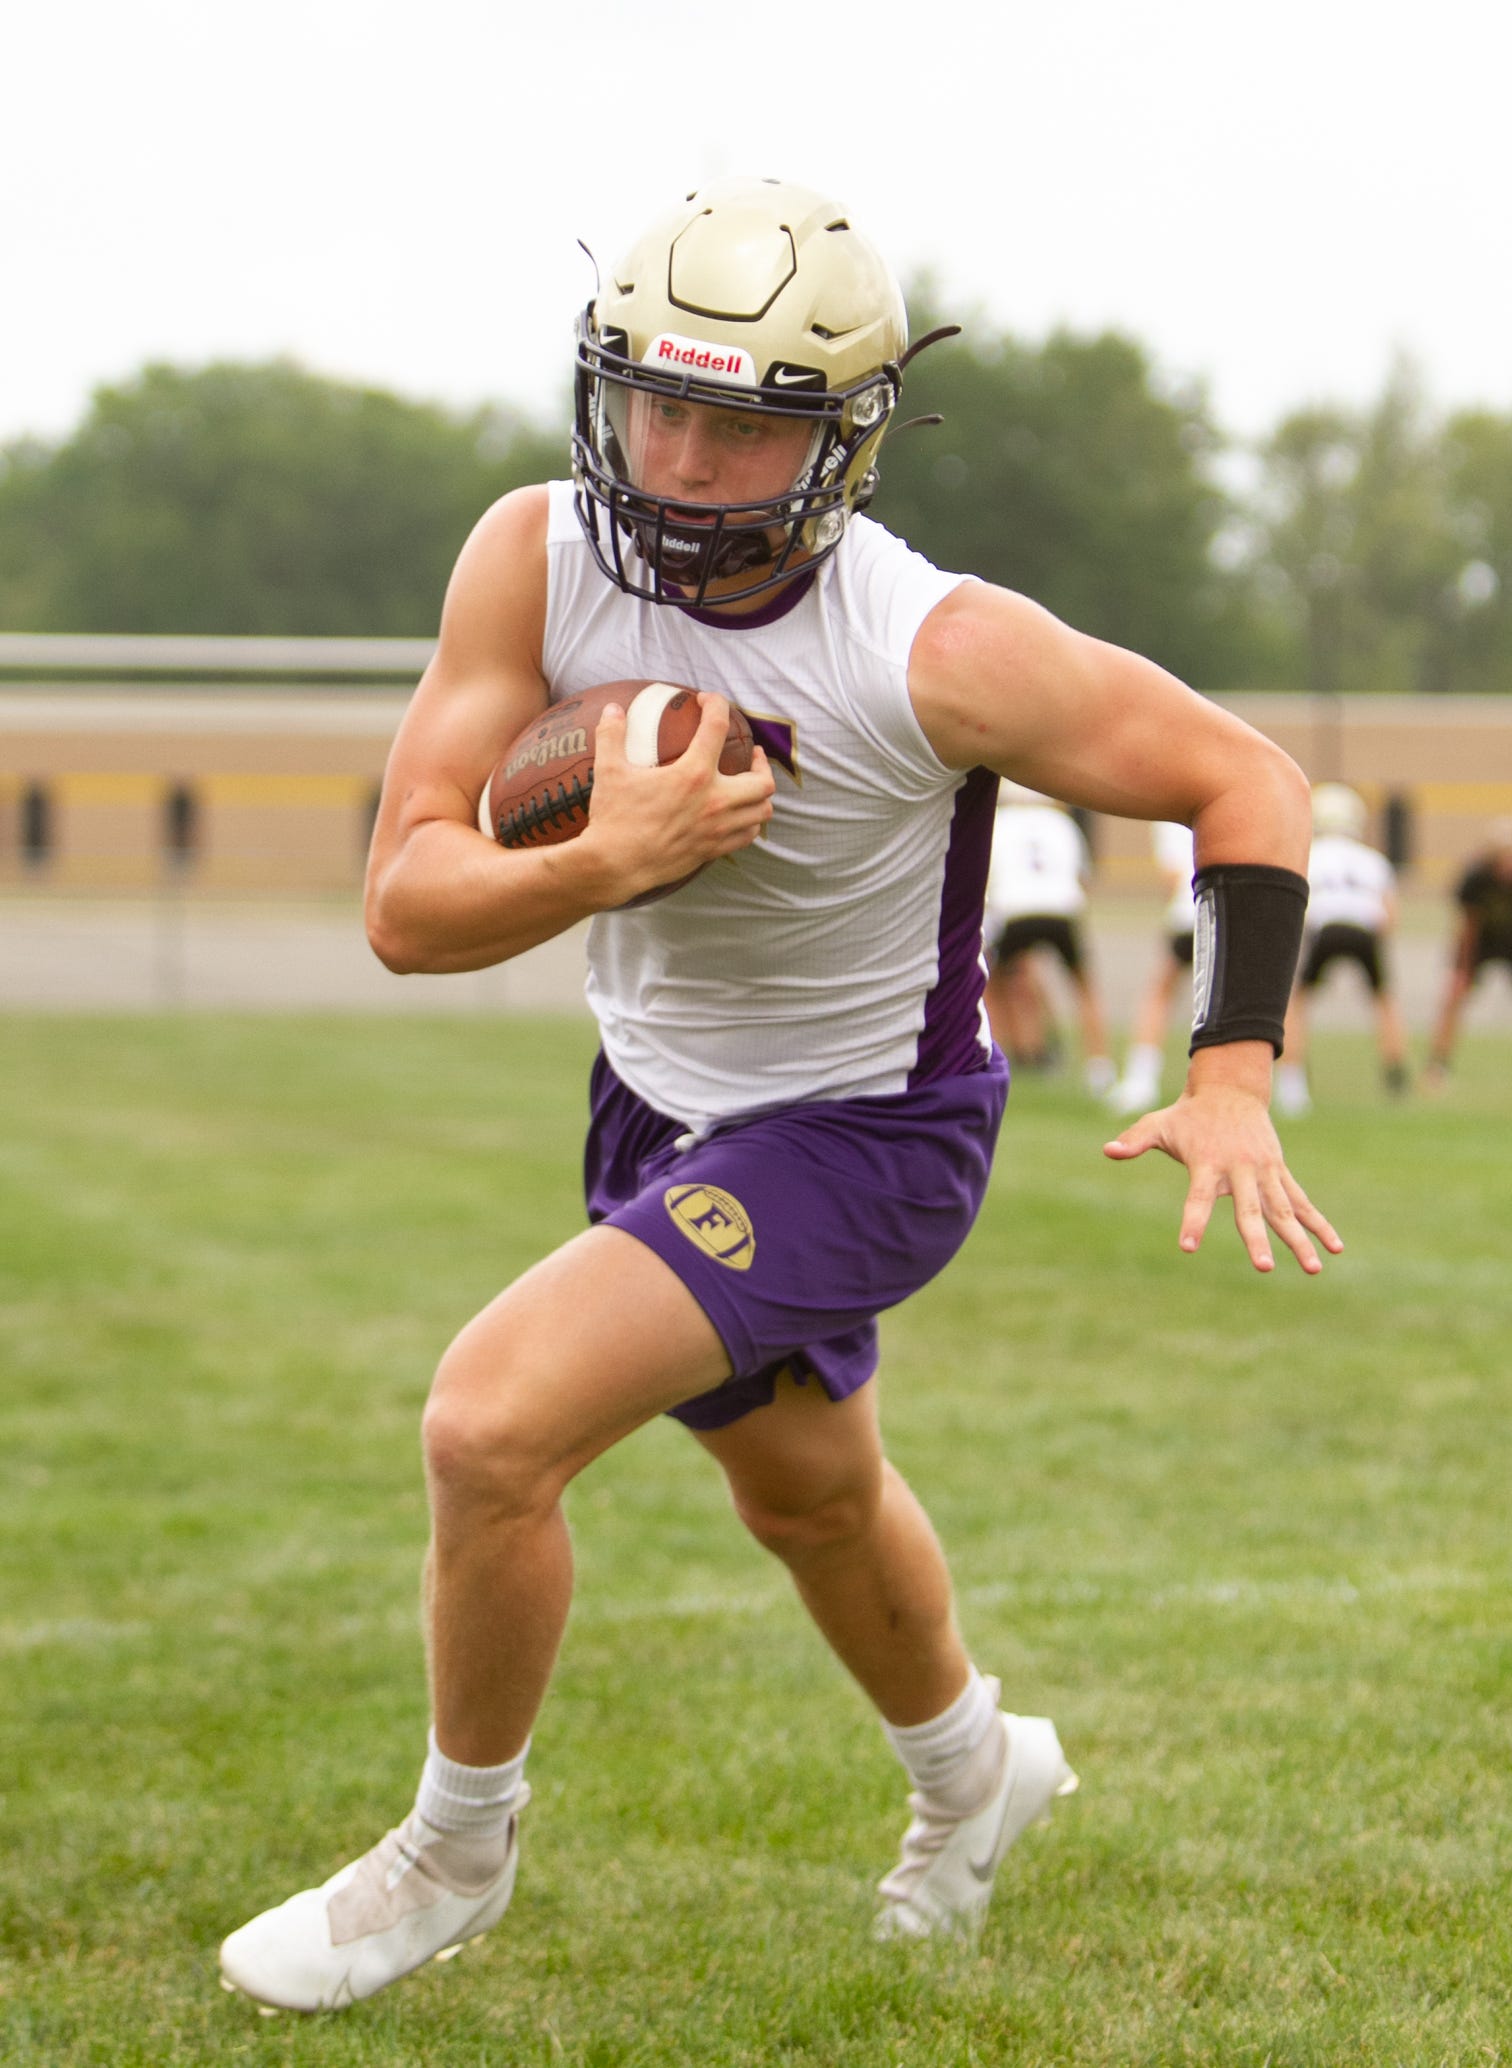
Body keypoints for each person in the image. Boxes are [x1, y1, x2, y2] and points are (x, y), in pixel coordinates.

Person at [218, 176, 1341, 2014]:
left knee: (489, 1427)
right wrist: (608, 857)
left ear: (842, 440)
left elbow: (1247, 780)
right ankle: (978, 1770)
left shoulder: (935, 645)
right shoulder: (532, 553)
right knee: (811, 1498)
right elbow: (404, 910)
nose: (675, 454)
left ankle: (453, 1843)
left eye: (737, 424)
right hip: (657, 1099)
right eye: (651, 399)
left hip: (867, 1131)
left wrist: (1230, 1069)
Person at [1275, 783, 1408, 1117]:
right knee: (1383, 1001)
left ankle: (1292, 1082)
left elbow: (1297, 907)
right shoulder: (1373, 860)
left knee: (1298, 1003)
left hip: (1327, 927)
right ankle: (1395, 1073)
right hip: (1365, 929)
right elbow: (1390, 917)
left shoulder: (1308, 854)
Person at [983, 785, 1114, 1091]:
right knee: (1083, 988)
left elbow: (988, 879)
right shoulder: (1062, 822)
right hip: (1062, 909)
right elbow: (1084, 877)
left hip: (1015, 910)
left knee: (989, 985)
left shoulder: (999, 822)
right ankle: (1099, 1065)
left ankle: (993, 1058)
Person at [1425, 817, 1512, 1085]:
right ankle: (1438, 1065)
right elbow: (1468, 927)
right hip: (1481, 943)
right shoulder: (1476, 878)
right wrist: (1464, 969)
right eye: (1509, 857)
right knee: (1454, 994)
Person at [1108, 820, 1196, 1115]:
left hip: (1189, 911)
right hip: (1233, 913)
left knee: (1160, 994)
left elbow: (1171, 877)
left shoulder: (1173, 816)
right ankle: (1284, 1086)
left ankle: (1140, 1081)